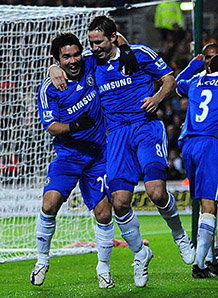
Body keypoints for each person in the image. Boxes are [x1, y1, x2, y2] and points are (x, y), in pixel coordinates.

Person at [49, 16, 195, 288]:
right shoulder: (92, 62)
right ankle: (141, 254)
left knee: (156, 192)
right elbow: (68, 66)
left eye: (99, 42)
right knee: (119, 203)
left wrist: (156, 98)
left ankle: (180, 237)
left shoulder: (138, 54)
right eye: (91, 43)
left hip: (145, 127)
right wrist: (52, 68)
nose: (94, 48)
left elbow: (169, 79)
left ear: (113, 37)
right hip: (116, 136)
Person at [30, 32, 115, 289]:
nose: (73, 60)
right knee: (49, 205)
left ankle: (103, 268)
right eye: (65, 57)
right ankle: (42, 260)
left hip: (97, 155)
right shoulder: (49, 87)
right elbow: (52, 126)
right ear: (57, 59)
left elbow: (117, 39)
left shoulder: (91, 61)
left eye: (76, 54)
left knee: (104, 212)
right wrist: (76, 125)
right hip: (68, 155)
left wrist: (55, 65)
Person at [176, 54, 218, 278]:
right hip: (211, 144)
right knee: (210, 205)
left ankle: (211, 259)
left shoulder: (195, 81)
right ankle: (200, 265)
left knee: (206, 203)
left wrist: (193, 65)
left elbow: (177, 84)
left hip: (190, 144)